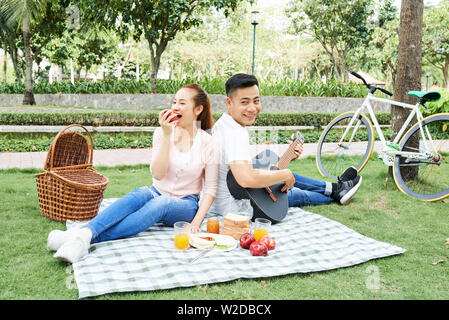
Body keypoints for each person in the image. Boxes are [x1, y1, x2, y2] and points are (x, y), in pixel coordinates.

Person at [47, 84, 219, 264]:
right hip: (157, 191)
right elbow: (158, 175)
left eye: (182, 103)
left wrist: (195, 223)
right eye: (174, 101)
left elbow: (211, 190)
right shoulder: (161, 133)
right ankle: (83, 235)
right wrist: (167, 136)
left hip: (186, 204)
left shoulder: (208, 143)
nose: (175, 106)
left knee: (162, 202)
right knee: (140, 194)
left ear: (198, 109)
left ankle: (82, 238)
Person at [208, 73, 362, 216]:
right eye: (244, 102)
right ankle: (337, 191)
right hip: (238, 204)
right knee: (291, 192)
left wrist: (287, 160)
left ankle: (335, 188)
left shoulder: (224, 124)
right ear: (229, 102)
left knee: (274, 167)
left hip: (227, 198)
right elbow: (246, 178)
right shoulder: (235, 132)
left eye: (256, 101)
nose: (252, 108)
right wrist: (284, 174)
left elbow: (241, 172)